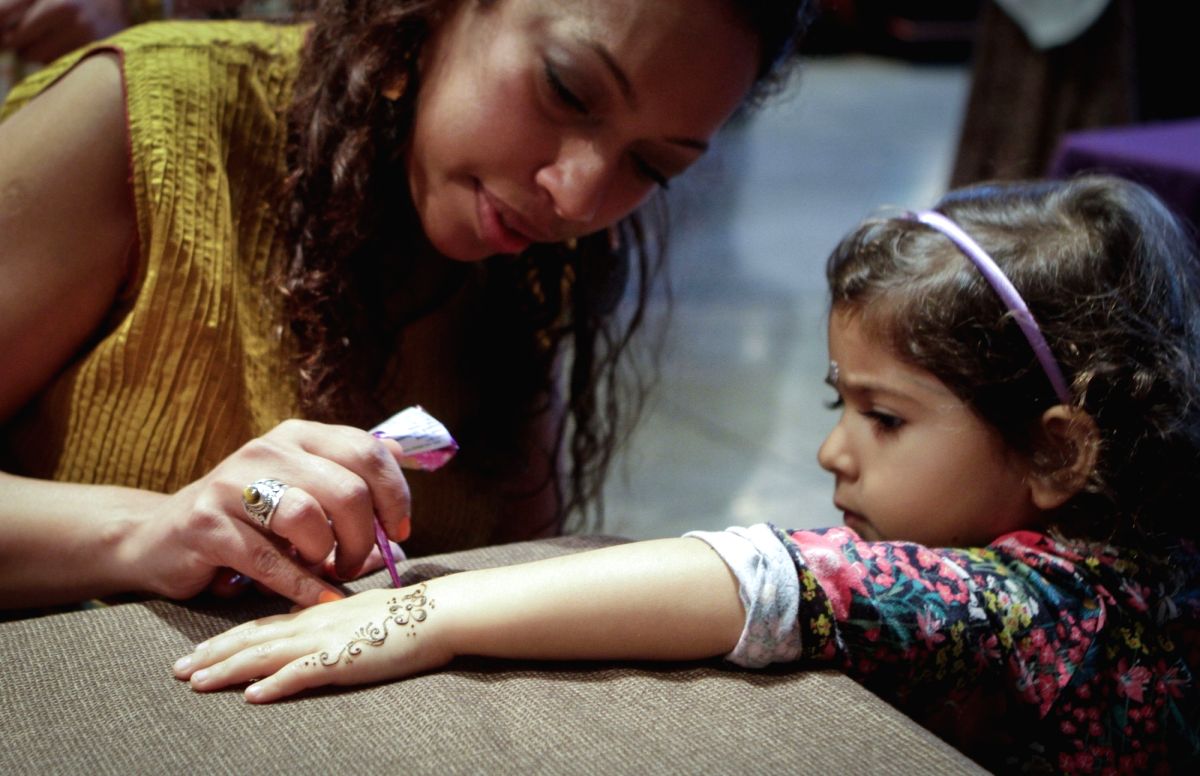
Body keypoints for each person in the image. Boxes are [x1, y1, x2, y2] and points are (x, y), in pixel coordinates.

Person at [174, 176, 1200, 773]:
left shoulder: (1037, 609)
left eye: (884, 418)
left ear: (1057, 452)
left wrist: (430, 613)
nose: (833, 453)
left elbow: (771, 580)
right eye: (838, 405)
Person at [0, 0, 813, 610]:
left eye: (652, 164)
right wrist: (144, 530)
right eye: (566, 90)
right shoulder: (144, 120)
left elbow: (522, 556)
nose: (578, 197)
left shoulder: (529, 257)